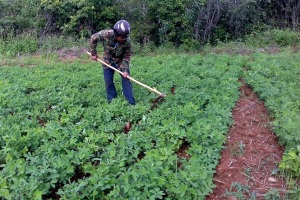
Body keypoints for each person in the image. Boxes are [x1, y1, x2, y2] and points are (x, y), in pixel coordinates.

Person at [90, 20, 135, 105]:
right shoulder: (106, 34)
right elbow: (93, 38)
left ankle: (131, 103)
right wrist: (93, 53)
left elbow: (126, 56)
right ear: (116, 34)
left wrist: (125, 69)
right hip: (108, 60)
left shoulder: (127, 41)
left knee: (126, 80)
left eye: (126, 36)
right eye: (122, 37)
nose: (124, 39)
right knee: (108, 81)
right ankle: (112, 101)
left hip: (120, 61)